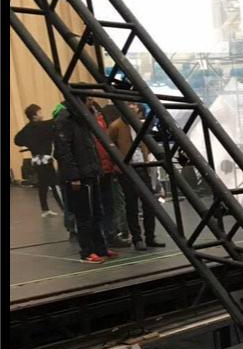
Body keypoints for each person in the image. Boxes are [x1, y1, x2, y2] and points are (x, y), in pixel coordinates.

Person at [52, 100, 117, 263]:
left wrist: (97, 169)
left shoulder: (82, 118)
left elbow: (90, 147)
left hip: (90, 173)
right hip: (79, 176)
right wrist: (74, 176)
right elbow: (63, 151)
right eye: (87, 100)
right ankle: (87, 251)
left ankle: (100, 248)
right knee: (84, 216)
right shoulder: (64, 121)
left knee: (97, 213)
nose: (90, 103)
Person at [108, 103, 165, 251]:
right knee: (132, 204)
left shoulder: (139, 124)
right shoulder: (116, 126)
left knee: (149, 203)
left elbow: (145, 142)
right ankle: (137, 238)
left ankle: (150, 237)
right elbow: (110, 147)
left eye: (134, 106)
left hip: (142, 167)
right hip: (127, 169)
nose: (133, 108)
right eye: (129, 105)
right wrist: (117, 165)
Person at [85, 98, 129, 249]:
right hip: (95, 169)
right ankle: (102, 238)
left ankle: (109, 236)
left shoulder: (100, 120)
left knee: (108, 204)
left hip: (105, 168)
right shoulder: (87, 122)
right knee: (99, 206)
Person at [14, 103, 66, 219]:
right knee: (55, 184)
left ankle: (45, 210)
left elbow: (17, 140)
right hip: (45, 161)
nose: (41, 114)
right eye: (40, 112)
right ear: (34, 115)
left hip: (36, 160)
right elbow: (57, 120)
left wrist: (30, 143)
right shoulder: (43, 126)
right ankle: (65, 209)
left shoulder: (27, 128)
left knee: (43, 185)